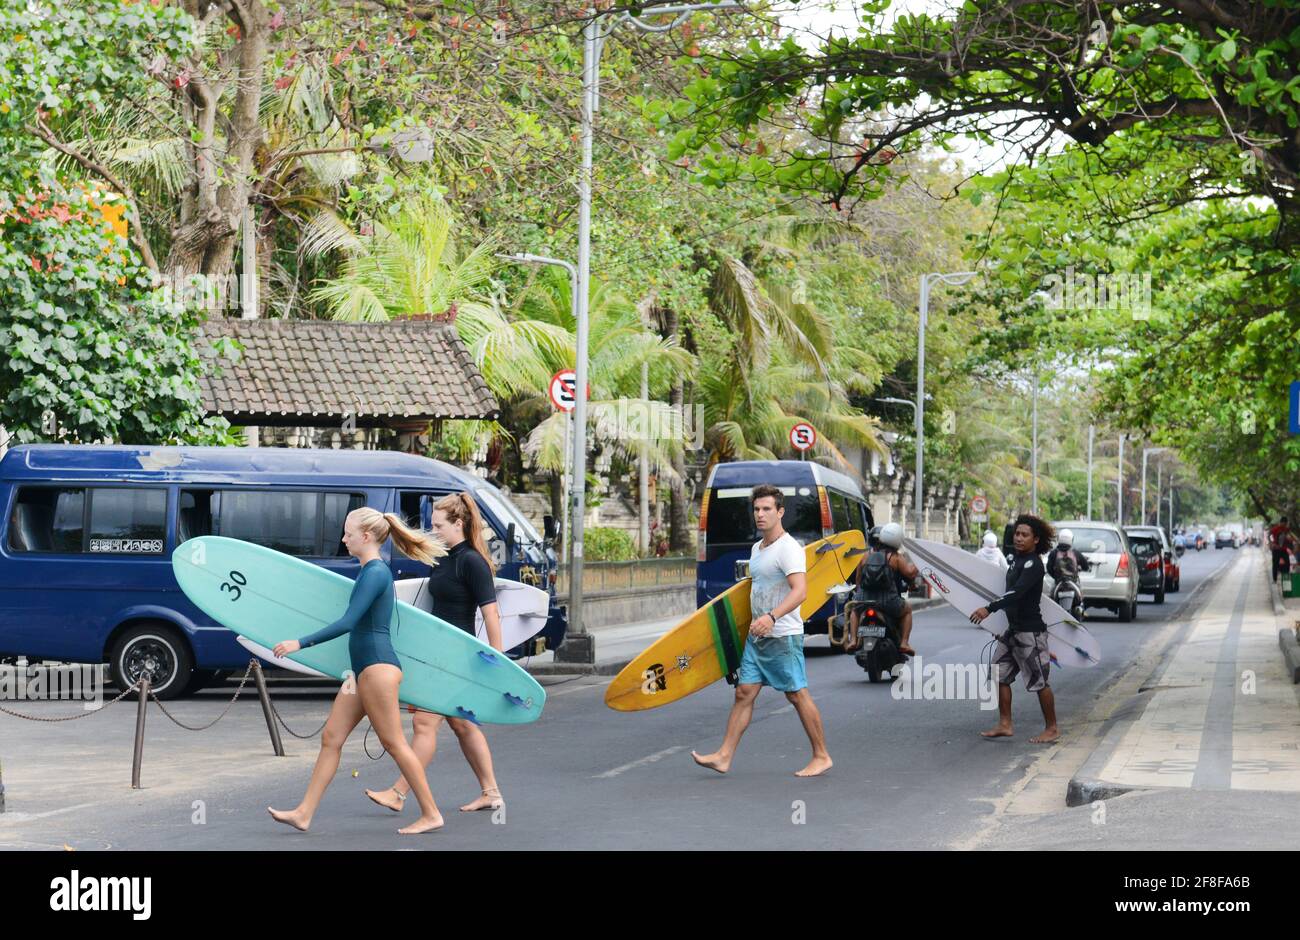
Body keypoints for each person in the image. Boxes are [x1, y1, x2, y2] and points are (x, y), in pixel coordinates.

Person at [268, 509, 448, 834]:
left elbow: (349, 621)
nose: (343, 538)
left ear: (365, 536)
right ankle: (304, 813)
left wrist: (300, 642)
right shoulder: (368, 571)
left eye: (348, 533)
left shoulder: (376, 572)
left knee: (394, 743)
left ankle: (431, 813)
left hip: (378, 670)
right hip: (360, 672)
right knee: (331, 737)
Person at [367, 492, 507, 815]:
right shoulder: (445, 556)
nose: (434, 531)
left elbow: (491, 614)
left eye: (439, 525)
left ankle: (399, 793)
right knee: (463, 725)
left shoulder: (473, 561)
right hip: (439, 655)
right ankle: (491, 792)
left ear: (458, 524)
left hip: (458, 657)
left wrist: (499, 663)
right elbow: (416, 546)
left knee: (426, 724)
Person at [691, 484, 831, 777]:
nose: (760, 514)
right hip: (758, 636)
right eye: (756, 509)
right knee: (743, 693)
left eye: (767, 509)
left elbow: (800, 591)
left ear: (780, 512)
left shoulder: (788, 548)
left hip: (782, 635)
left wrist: (772, 616)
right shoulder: (758, 548)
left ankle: (821, 755)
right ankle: (724, 756)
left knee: (796, 695)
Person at [970, 514, 1059, 744]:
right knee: (1000, 674)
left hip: (1031, 633)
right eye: (1017, 534)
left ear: (1036, 539)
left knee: (1039, 682)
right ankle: (1005, 724)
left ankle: (1051, 728)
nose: (1019, 538)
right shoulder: (1015, 561)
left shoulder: (1034, 564)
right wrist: (999, 625)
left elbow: (1016, 593)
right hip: (1013, 631)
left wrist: (989, 609)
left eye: (1024, 535)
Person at [1269, 516, 1291, 583]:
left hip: (1283, 549)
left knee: (1287, 563)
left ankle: (1286, 578)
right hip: (1276, 549)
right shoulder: (1275, 529)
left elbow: (1288, 536)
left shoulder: (1286, 529)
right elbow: (1269, 535)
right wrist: (1272, 543)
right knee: (1275, 564)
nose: (1284, 525)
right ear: (1281, 522)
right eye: (1284, 523)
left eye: (1285, 524)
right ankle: (1274, 579)